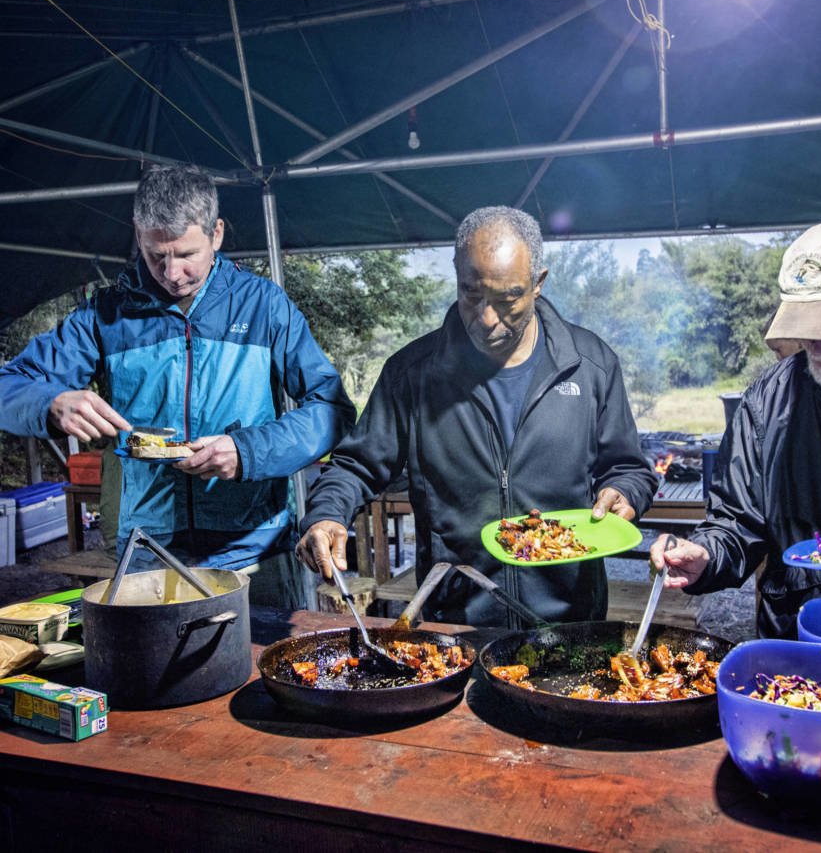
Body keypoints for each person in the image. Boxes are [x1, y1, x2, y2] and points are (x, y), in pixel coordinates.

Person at [0, 165, 355, 608]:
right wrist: (51, 403)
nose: (172, 273)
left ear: (217, 234)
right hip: (149, 554)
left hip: (254, 553)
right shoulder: (106, 315)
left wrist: (247, 452)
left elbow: (332, 409)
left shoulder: (264, 306)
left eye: (186, 253)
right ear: (139, 235)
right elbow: (8, 384)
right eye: (155, 255)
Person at [298, 205, 657, 627]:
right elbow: (355, 466)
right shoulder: (413, 373)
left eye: (508, 299)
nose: (487, 320)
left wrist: (625, 492)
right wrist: (325, 514)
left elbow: (628, 468)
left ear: (537, 283)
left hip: (571, 620)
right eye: (471, 294)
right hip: (457, 621)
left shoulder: (590, 364)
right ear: (456, 273)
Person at [650, 220, 821, 638]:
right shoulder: (769, 401)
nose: (817, 345)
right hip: (796, 648)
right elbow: (736, 523)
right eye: (806, 325)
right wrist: (707, 555)